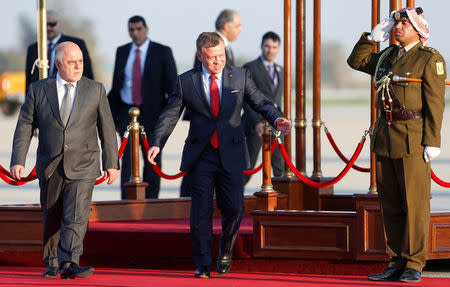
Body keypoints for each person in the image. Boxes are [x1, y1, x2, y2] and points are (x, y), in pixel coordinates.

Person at [147, 32, 291, 278]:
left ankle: (225, 250)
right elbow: (170, 114)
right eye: (212, 57)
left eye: (221, 56)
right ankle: (202, 263)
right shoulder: (186, 81)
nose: (218, 61)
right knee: (200, 212)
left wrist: (276, 118)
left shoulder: (241, 76)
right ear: (200, 56)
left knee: (234, 208)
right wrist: (157, 142)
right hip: (201, 155)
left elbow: (260, 101)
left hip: (232, 152)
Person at [347, 7, 446, 283]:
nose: (397, 27)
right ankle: (396, 261)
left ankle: (414, 262)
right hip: (386, 137)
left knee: (414, 204)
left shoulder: (429, 59)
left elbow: (435, 104)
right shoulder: (388, 56)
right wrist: (371, 37)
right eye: (396, 23)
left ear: (417, 29)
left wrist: (432, 141)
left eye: (403, 23)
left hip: (413, 138)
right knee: (390, 204)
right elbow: (355, 61)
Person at [11, 42, 119, 279]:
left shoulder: (95, 89)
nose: (78, 66)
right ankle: (51, 260)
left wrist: (112, 163)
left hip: (85, 163)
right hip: (51, 164)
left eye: (80, 61)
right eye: (72, 62)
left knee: (77, 214)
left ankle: (69, 261)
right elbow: (25, 125)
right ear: (58, 64)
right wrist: (18, 160)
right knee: (52, 214)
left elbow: (107, 129)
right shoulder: (39, 89)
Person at [108, 15, 178, 199]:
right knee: (128, 157)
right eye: (131, 29)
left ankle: (152, 200)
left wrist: (168, 116)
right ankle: (127, 200)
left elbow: (172, 88)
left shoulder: (162, 52)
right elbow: (116, 85)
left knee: (152, 157)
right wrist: (112, 115)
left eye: (139, 29)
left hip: (153, 114)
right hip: (127, 112)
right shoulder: (122, 51)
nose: (135, 33)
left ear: (146, 29)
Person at [180, 10, 243, 197]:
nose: (241, 30)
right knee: (198, 161)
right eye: (238, 26)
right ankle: (187, 198)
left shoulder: (226, 47)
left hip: (224, 119)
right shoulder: (207, 47)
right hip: (206, 116)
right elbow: (197, 82)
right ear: (226, 26)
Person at [242, 31, 285, 184]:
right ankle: (233, 202)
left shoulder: (281, 70)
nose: (270, 50)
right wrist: (256, 123)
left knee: (280, 167)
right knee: (246, 168)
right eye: (267, 46)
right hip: (255, 126)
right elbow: (245, 100)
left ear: (278, 48)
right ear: (261, 46)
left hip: (275, 125)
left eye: (274, 47)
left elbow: (279, 100)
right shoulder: (250, 67)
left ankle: (281, 203)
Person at [25, 10, 94, 96]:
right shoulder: (33, 49)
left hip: (68, 98)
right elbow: (28, 81)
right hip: (40, 99)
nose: (48, 28)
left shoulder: (76, 44)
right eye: (45, 24)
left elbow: (88, 76)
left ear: (59, 24)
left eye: (52, 24)